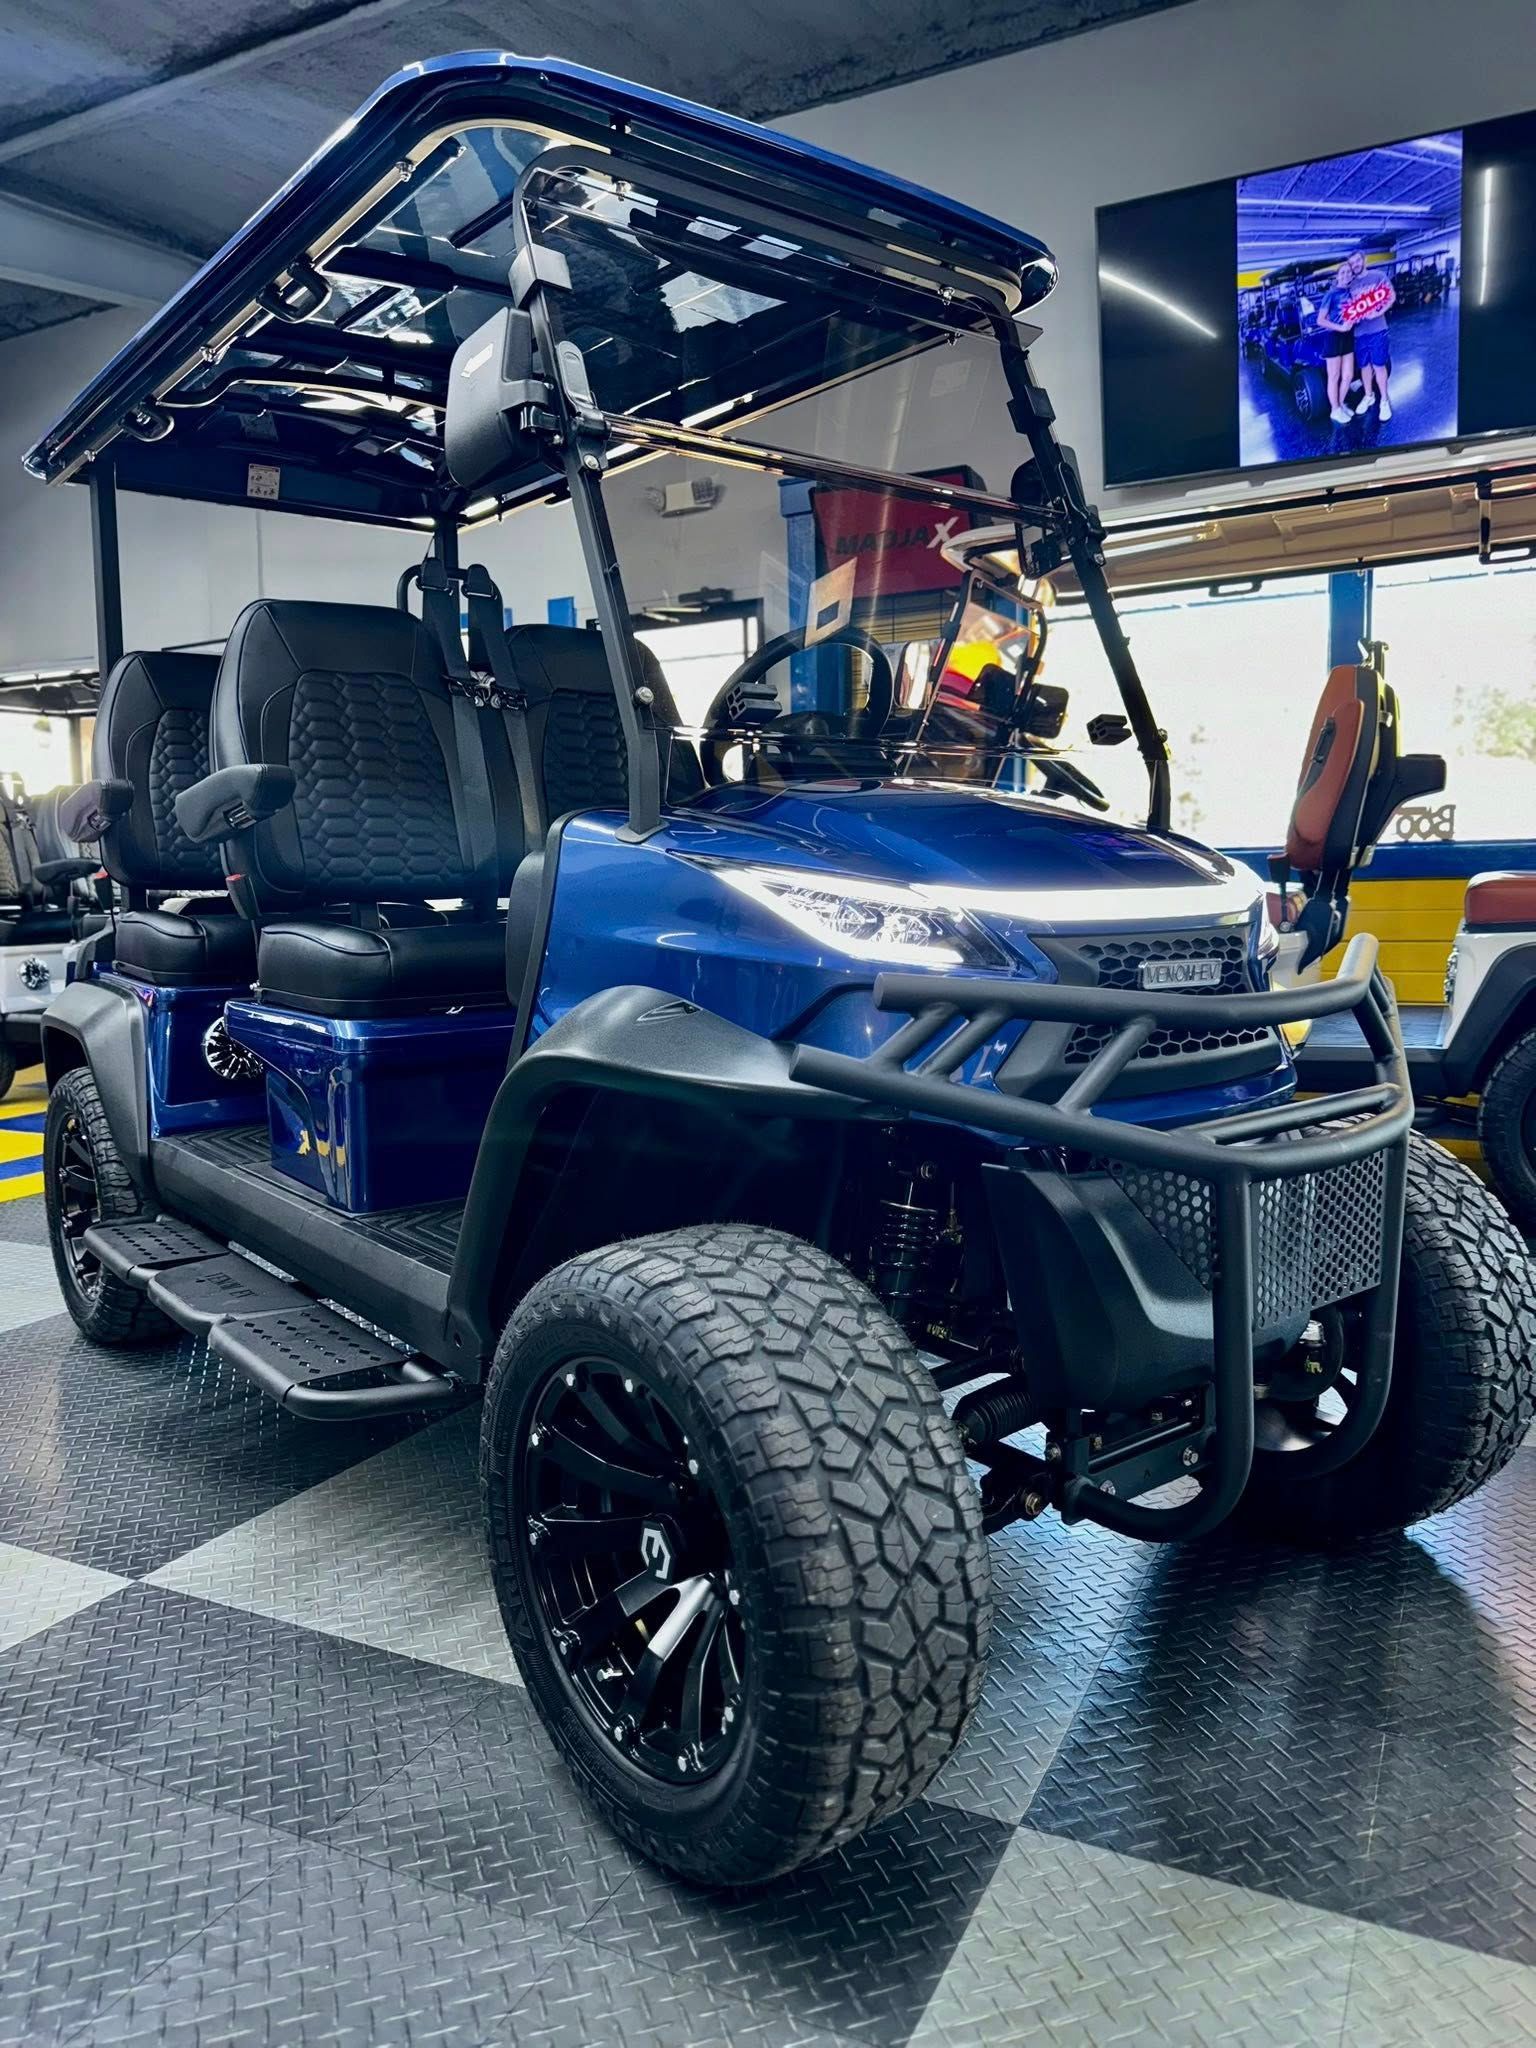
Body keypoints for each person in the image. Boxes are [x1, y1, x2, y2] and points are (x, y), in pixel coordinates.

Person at [1345, 247, 1396, 422]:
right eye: (1352, 263)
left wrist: (1378, 312)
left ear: (1364, 260)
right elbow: (1346, 308)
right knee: (1364, 367)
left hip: (1377, 330)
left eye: (1357, 261)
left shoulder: (1378, 276)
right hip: (1359, 334)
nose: (1355, 265)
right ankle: (1369, 396)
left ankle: (1384, 401)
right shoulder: (1350, 285)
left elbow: (1391, 297)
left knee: (1379, 366)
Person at [1315, 261, 1359, 425]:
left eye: (1349, 272)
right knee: (1334, 376)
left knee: (1347, 376)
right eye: (1343, 272)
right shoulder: (1331, 294)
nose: (1346, 275)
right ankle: (1334, 410)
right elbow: (1320, 320)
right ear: (1337, 275)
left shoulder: (1351, 292)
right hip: (1334, 337)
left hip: (1348, 337)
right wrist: (1340, 327)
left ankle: (1340, 405)